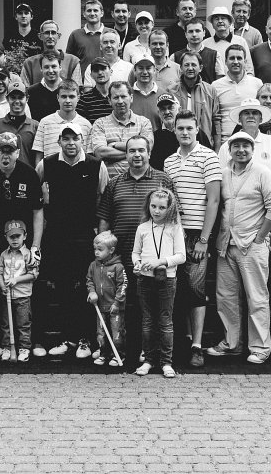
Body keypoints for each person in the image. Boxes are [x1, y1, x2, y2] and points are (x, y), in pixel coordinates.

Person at [97, 136, 176, 369]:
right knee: (122, 304)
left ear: (149, 153)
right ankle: (122, 350)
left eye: (141, 150)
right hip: (121, 255)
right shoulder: (115, 182)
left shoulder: (163, 180)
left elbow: (173, 217)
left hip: (153, 258)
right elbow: (105, 218)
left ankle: (149, 351)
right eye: (132, 151)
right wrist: (103, 249)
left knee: (150, 308)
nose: (137, 155)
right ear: (126, 154)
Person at [208, 131, 271, 364]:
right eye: (236, 146)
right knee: (226, 297)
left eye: (245, 146)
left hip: (252, 244)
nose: (241, 150)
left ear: (252, 149)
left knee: (256, 298)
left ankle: (260, 347)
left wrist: (260, 237)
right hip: (225, 244)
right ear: (229, 150)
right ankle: (232, 344)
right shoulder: (223, 173)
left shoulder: (262, 172)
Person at [37, 123, 109, 359]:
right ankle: (66, 338)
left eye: (75, 138)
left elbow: (104, 201)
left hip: (84, 237)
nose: (71, 143)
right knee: (62, 288)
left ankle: (85, 340)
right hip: (56, 237)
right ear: (59, 141)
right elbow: (38, 200)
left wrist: (99, 235)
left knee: (85, 287)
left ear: (82, 140)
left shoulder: (96, 166)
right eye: (66, 139)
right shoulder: (46, 164)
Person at [0, 132, 44, 356]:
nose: (6, 156)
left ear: (17, 153)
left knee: (30, 285)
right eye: (1, 151)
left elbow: (38, 211)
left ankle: (33, 341)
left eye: (10, 151)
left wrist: (35, 246)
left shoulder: (29, 173)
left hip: (22, 237)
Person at [163, 110, 221, 368]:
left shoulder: (208, 156)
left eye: (189, 128)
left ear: (197, 129)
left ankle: (197, 346)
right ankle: (185, 340)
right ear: (174, 130)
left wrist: (204, 239)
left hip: (198, 234)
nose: (185, 132)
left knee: (196, 290)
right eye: (180, 128)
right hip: (175, 233)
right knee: (178, 289)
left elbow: (214, 200)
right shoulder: (169, 161)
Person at [132, 189, 186, 378]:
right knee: (147, 321)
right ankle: (148, 360)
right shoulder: (142, 228)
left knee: (165, 321)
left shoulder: (174, 228)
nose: (156, 211)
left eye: (162, 207)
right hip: (145, 279)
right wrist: (137, 263)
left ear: (169, 208)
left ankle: (166, 362)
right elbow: (136, 252)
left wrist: (160, 262)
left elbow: (181, 256)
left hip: (167, 279)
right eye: (153, 206)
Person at [89, 81, 154, 179]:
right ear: (109, 100)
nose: (120, 101)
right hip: (110, 183)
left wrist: (115, 145)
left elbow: (147, 147)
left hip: (140, 181)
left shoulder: (143, 122)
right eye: (116, 97)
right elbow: (100, 153)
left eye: (123, 96)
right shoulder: (100, 123)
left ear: (131, 98)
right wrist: (134, 151)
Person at [0, 220, 38, 363]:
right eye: (11, 237)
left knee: (23, 324)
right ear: (6, 237)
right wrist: (2, 286)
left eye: (18, 236)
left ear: (25, 236)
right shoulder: (3, 254)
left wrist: (16, 280)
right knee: (6, 324)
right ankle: (7, 347)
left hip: (23, 296)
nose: (14, 240)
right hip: (7, 295)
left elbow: (33, 275)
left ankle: (24, 348)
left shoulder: (28, 254)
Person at [219, 98, 271, 183]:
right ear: (239, 119)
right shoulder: (226, 146)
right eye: (246, 113)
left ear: (261, 119)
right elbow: (220, 178)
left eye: (255, 113)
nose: (251, 116)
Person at [86, 231, 127, 366]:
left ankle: (119, 355)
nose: (96, 252)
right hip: (100, 306)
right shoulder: (93, 265)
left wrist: (117, 303)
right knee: (101, 334)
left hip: (115, 307)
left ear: (111, 250)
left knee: (117, 333)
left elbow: (123, 285)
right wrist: (92, 292)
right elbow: (89, 280)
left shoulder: (118, 267)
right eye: (95, 249)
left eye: (100, 249)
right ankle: (104, 354)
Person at [212, 45, 263, 147]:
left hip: (252, 142)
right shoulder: (215, 86)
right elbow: (214, 119)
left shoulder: (257, 84)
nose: (235, 62)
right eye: (232, 58)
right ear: (225, 61)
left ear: (245, 61)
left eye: (239, 58)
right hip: (225, 142)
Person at [0, 81, 39, 166]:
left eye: (21, 97)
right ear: (7, 99)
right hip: (2, 173)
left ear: (27, 99)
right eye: (13, 97)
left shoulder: (35, 126)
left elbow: (39, 158)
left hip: (27, 173)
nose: (17, 101)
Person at [32, 79, 92, 164]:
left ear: (78, 98)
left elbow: (89, 157)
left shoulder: (86, 125)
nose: (67, 101)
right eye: (64, 96)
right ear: (58, 97)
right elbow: (39, 156)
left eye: (71, 97)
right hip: (51, 170)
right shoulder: (45, 123)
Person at [150, 94, 210, 171]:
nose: (167, 112)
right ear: (158, 113)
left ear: (179, 109)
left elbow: (207, 158)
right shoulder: (154, 137)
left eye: (170, 108)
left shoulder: (195, 133)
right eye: (163, 109)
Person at [172, 51, 220, 145]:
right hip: (178, 144)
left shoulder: (210, 91)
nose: (190, 68)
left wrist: (217, 148)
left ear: (200, 68)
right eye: (186, 65)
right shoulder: (172, 91)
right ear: (181, 68)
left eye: (193, 65)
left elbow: (216, 121)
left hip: (204, 144)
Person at [20, 20, 82, 86]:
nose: (50, 36)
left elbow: (76, 89)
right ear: (40, 36)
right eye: (47, 33)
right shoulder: (29, 63)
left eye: (53, 33)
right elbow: (24, 89)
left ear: (59, 36)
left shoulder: (73, 61)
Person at [170, 18, 225, 84]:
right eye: (190, 31)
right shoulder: (175, 57)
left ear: (204, 33)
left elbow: (219, 82)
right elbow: (172, 81)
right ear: (185, 34)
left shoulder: (215, 55)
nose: (194, 35)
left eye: (197, 31)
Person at [203, 6, 254, 75]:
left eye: (223, 18)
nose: (220, 21)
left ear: (230, 23)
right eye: (216, 19)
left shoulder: (240, 41)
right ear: (212, 24)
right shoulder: (205, 44)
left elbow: (249, 67)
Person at [67, 0, 106, 76]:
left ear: (102, 13)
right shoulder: (75, 35)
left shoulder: (110, 33)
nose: (92, 13)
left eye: (95, 10)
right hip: (82, 80)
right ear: (84, 14)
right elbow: (69, 61)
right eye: (89, 11)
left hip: (105, 78)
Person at [129, 54, 166, 129]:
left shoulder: (164, 95)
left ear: (154, 70)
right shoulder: (127, 95)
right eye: (141, 68)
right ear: (134, 71)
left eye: (148, 68)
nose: (145, 72)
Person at [76, 57, 114, 124]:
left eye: (103, 69)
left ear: (111, 71)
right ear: (91, 75)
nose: (100, 72)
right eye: (96, 70)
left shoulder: (118, 96)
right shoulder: (84, 99)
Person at [27, 51, 63, 121]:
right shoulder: (31, 92)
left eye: (53, 66)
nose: (50, 70)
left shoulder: (69, 91)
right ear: (41, 69)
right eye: (46, 67)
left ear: (60, 67)